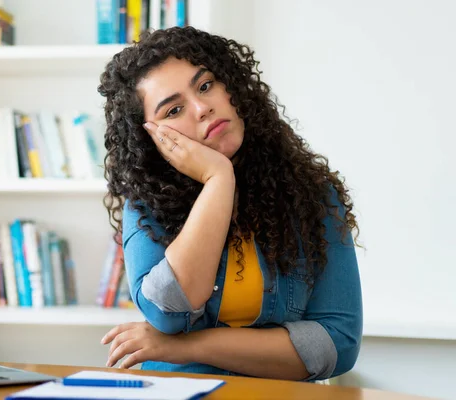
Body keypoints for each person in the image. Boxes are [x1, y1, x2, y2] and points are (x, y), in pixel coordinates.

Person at [96, 26, 362, 382]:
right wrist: (218, 181)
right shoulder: (146, 204)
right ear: (151, 137)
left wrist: (183, 347)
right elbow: (169, 311)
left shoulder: (313, 193)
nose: (203, 108)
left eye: (206, 86)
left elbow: (337, 345)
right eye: (174, 110)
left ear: (232, 86)